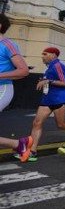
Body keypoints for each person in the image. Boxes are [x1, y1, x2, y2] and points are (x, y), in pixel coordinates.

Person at [21, 47, 65, 162]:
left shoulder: (59, 66)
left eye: (45, 54)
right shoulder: (49, 68)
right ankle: (32, 152)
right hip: (47, 99)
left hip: (59, 99)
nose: (42, 56)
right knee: (37, 123)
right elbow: (49, 81)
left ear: (53, 55)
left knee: (61, 125)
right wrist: (43, 80)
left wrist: (49, 81)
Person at [0, 13, 34, 162]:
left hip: (3, 89)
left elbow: (23, 70)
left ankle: (19, 144)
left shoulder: (7, 44)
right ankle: (19, 144)